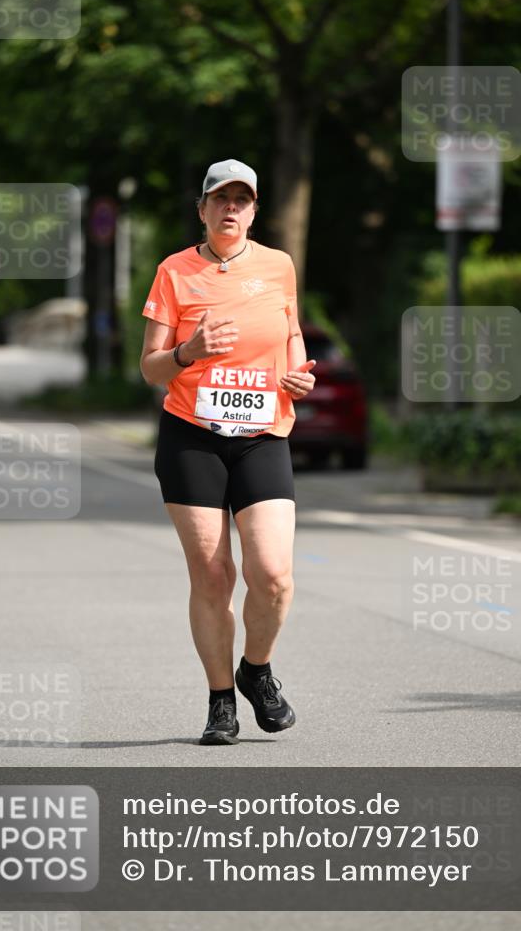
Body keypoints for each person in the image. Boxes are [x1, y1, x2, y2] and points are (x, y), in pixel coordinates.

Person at [139, 158, 316, 745]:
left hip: (263, 431)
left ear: (254, 211)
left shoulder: (278, 266)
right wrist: (188, 351)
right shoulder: (174, 272)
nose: (231, 209)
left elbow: (290, 332)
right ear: (203, 209)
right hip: (193, 435)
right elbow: (150, 368)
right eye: (221, 199)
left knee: (273, 576)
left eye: (243, 200)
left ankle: (255, 669)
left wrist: (297, 373)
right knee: (214, 575)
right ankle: (221, 701)